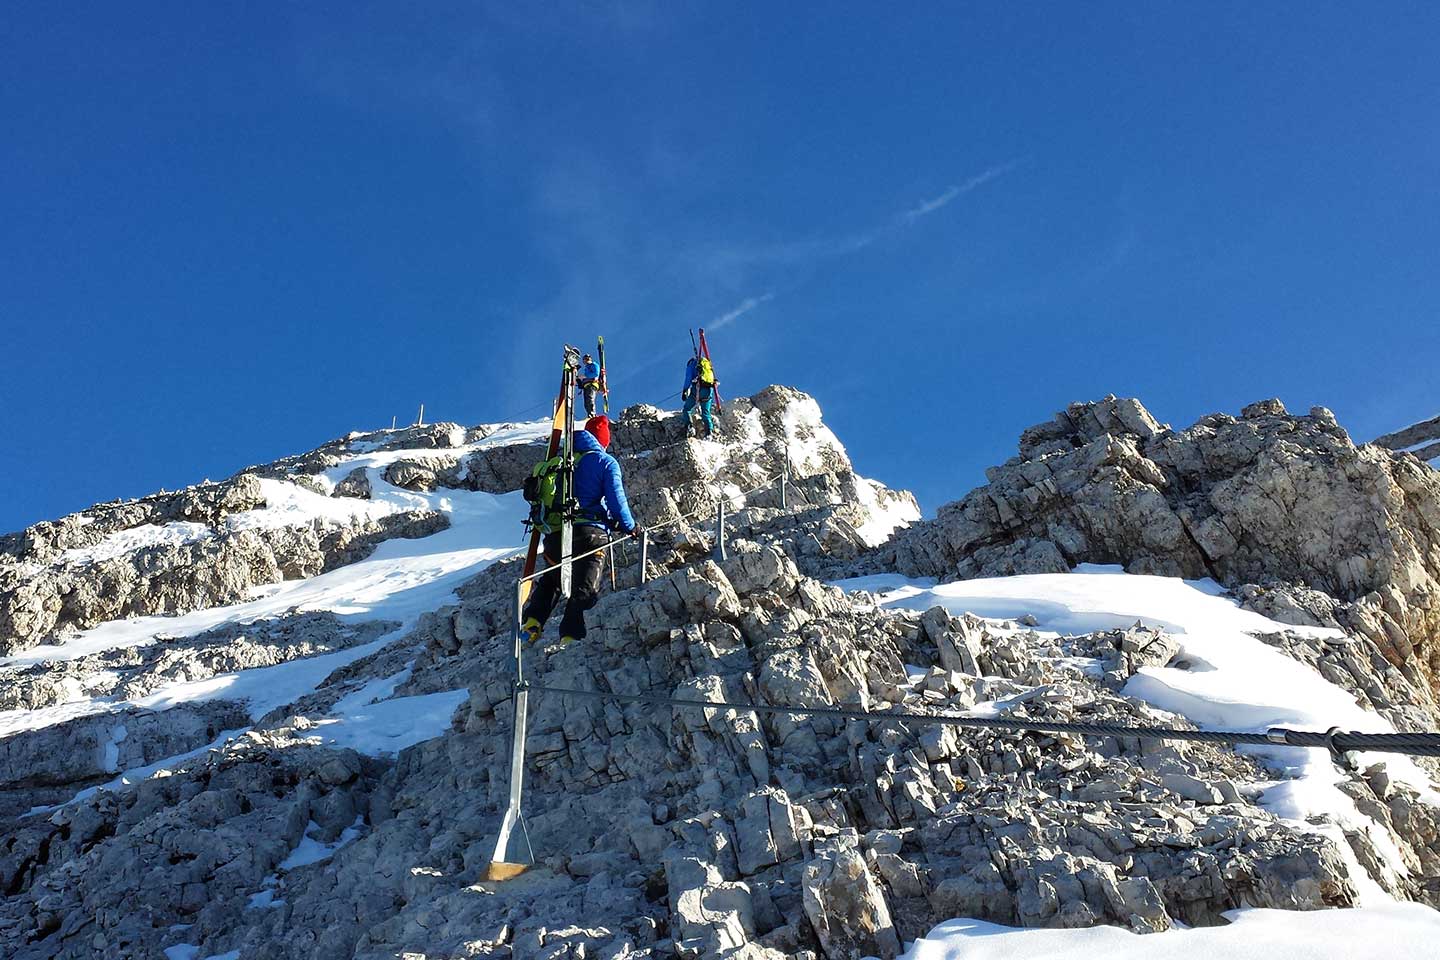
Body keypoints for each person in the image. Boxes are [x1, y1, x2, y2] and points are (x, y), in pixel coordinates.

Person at [520, 415, 639, 646]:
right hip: (589, 534)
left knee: (553, 579)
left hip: (555, 534)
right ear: (603, 440)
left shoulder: (561, 459)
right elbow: (617, 501)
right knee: (584, 586)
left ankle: (532, 623)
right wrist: (629, 526)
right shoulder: (604, 461)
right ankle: (570, 637)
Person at [681, 353, 718, 438]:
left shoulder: (691, 365)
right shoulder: (707, 365)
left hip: (698, 389)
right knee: (705, 412)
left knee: (687, 409)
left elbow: (688, 378)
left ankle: (690, 427)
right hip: (709, 390)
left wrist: (685, 390)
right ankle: (709, 432)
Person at [578, 353, 601, 418]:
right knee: (586, 403)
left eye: (586, 359)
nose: (585, 361)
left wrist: (584, 376)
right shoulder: (587, 368)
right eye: (584, 360)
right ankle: (590, 415)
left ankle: (592, 415)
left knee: (590, 399)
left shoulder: (593, 365)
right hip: (587, 386)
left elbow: (596, 374)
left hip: (592, 384)